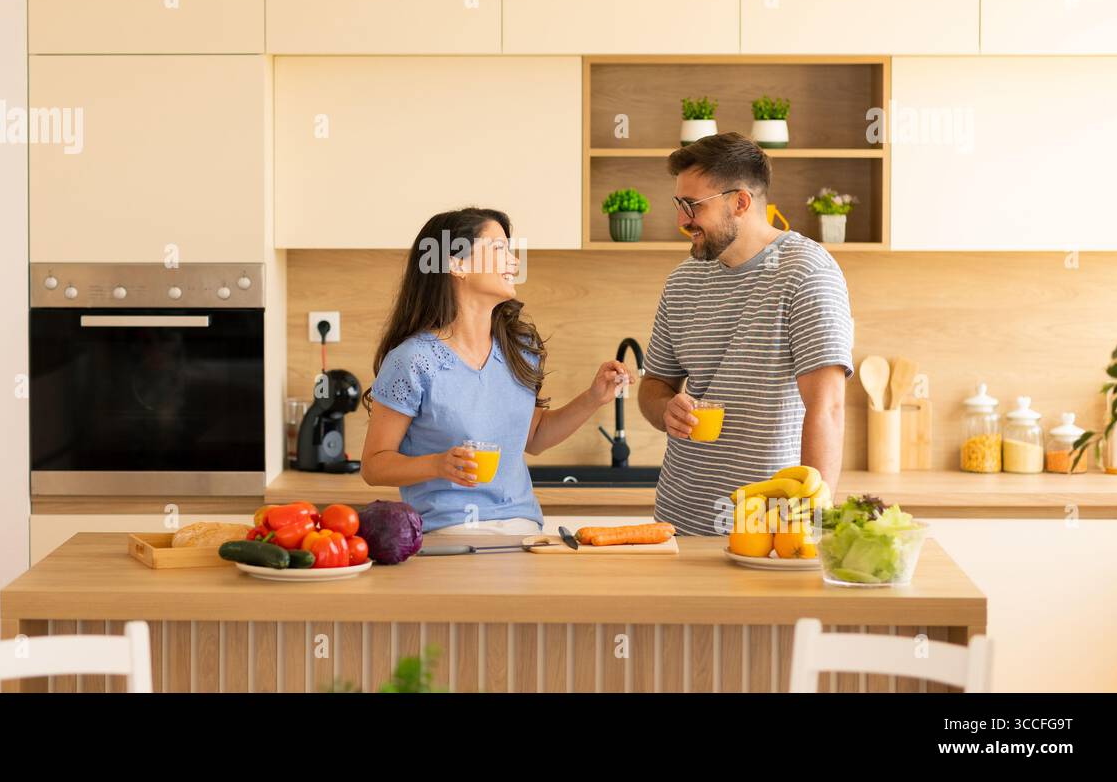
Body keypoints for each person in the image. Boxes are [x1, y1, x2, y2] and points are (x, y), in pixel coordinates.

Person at [361, 207, 630, 535]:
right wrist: (438, 464)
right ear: (457, 264)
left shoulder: (518, 349)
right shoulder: (413, 360)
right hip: (449, 533)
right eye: (500, 250)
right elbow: (374, 464)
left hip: (524, 528)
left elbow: (533, 438)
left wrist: (593, 399)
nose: (514, 263)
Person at [637, 132, 854, 536]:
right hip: (676, 522)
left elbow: (827, 409)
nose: (682, 221)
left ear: (740, 202)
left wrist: (807, 526)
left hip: (767, 529)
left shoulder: (806, 273)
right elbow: (654, 385)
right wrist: (665, 410)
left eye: (693, 206)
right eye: (679, 205)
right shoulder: (683, 281)